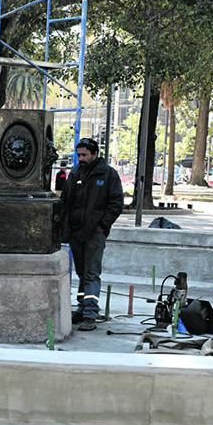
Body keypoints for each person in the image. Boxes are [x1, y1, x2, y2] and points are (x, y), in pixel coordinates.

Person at [60, 137, 124, 330]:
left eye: (84, 155)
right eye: (78, 155)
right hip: (76, 232)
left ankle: (90, 314)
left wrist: (102, 226)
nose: (80, 158)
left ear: (95, 154)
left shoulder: (108, 175)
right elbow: (66, 201)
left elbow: (116, 203)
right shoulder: (76, 173)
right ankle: (82, 307)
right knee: (81, 273)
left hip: (94, 233)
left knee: (91, 274)